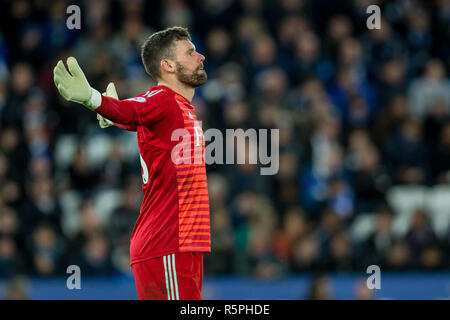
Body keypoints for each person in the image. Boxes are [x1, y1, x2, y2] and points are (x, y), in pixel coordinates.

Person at [53, 26, 211, 300]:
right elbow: (134, 110)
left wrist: (113, 114)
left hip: (182, 243)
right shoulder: (164, 99)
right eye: (190, 52)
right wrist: (94, 98)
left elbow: (138, 118)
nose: (201, 57)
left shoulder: (177, 109)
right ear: (168, 66)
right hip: (167, 242)